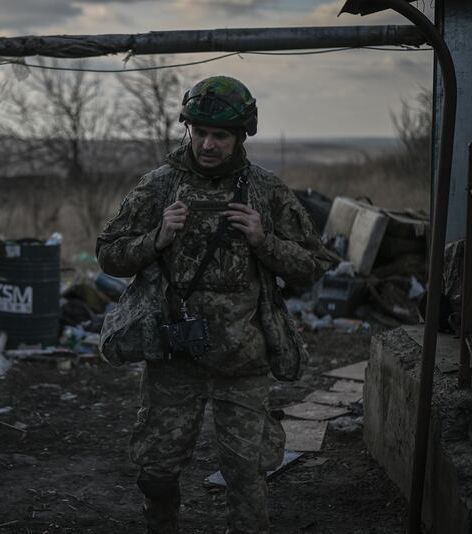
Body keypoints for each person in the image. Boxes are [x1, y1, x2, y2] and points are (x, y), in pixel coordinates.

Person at [96, 76, 336, 533]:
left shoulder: (265, 190)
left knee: (247, 473)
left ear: (241, 136)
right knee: (157, 470)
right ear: (187, 127)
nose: (207, 144)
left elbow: (315, 263)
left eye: (220, 135)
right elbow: (108, 253)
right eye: (199, 131)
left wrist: (264, 241)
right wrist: (156, 238)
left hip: (243, 360)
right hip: (173, 357)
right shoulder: (158, 187)